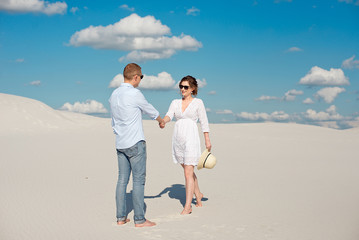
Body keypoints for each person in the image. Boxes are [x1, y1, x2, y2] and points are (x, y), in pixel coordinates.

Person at [109, 63, 164, 227]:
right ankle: (139, 219)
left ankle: (120, 218)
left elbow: (113, 122)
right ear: (135, 77)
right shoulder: (134, 93)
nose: (141, 79)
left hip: (120, 143)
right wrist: (161, 121)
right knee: (138, 181)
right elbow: (150, 110)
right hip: (135, 142)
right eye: (141, 76)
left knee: (122, 180)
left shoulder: (114, 94)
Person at [161, 75, 212, 215]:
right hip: (178, 139)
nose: (182, 89)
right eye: (181, 87)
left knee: (188, 172)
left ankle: (187, 206)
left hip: (191, 138)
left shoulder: (198, 103)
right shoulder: (175, 102)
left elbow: (204, 121)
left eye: (186, 87)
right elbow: (169, 115)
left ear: (193, 89)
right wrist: (163, 121)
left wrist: (207, 139)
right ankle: (198, 195)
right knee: (188, 170)